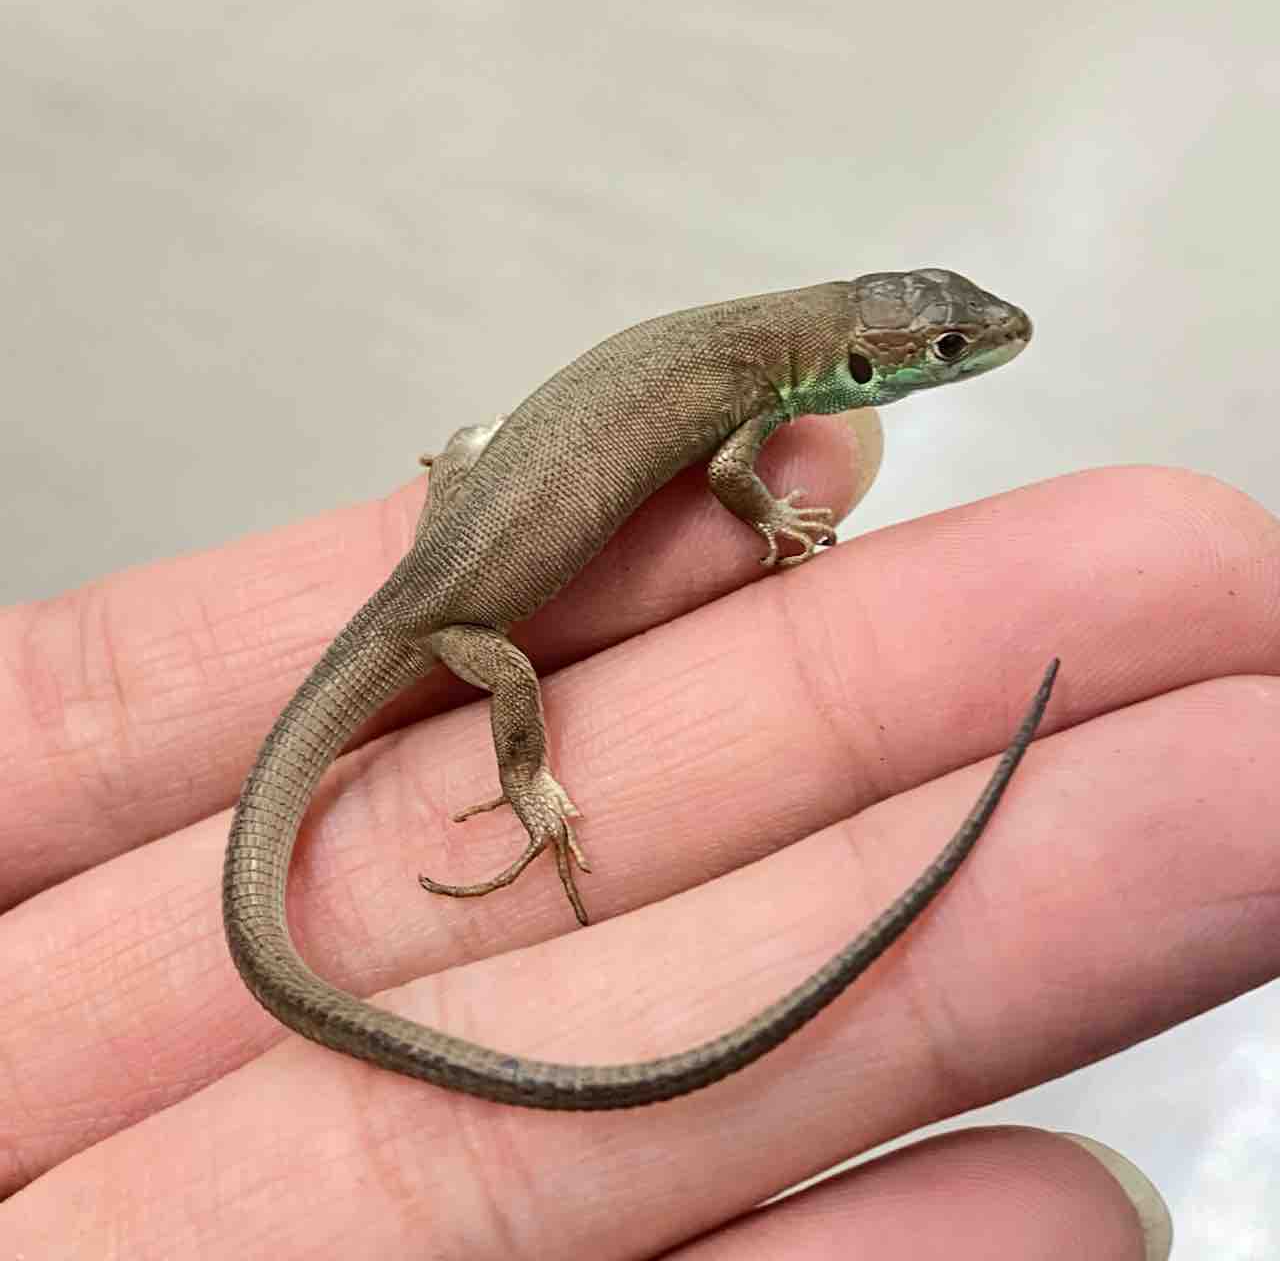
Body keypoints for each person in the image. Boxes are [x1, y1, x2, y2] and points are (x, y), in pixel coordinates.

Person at [4, 417, 1275, 1257]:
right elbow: (727, 477)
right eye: (938, 352)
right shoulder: (747, 406)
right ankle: (530, 785)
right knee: (510, 672)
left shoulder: (750, 368)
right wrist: (532, 781)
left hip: (450, 560)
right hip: (442, 614)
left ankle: (475, 468)